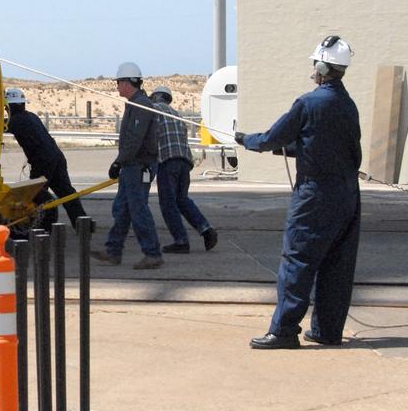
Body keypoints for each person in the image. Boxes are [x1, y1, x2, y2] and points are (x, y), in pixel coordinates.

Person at [234, 35, 361, 349]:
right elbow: (323, 144)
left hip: (315, 196)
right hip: (347, 196)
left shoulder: (309, 102)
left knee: (298, 261)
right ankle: (327, 331)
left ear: (321, 66)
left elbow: (271, 138)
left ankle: (284, 331)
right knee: (336, 265)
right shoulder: (347, 105)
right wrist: (292, 149)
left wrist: (246, 140)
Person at [91, 62, 163, 270]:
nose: (117, 87)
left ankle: (153, 253)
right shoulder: (135, 103)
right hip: (132, 165)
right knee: (122, 208)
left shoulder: (140, 105)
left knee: (138, 209)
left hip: (139, 166)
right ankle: (113, 251)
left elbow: (134, 138)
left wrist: (118, 161)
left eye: (119, 82)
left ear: (127, 82)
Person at [4, 87, 87, 228]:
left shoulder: (15, 121)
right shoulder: (31, 116)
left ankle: (39, 227)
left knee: (35, 196)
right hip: (57, 156)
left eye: (6, 108)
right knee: (67, 193)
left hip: (42, 160)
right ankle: (83, 224)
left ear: (9, 106)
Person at [149, 86, 217, 253]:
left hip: (167, 161)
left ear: (157, 96)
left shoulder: (152, 109)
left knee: (168, 203)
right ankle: (206, 229)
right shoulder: (177, 115)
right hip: (184, 162)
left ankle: (181, 241)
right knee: (182, 199)